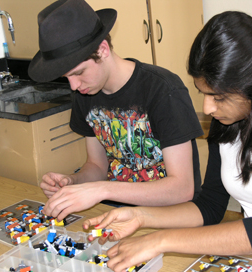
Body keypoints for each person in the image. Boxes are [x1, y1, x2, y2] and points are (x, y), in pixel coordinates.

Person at [83, 11, 252, 272]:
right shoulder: (227, 121)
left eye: (219, 96)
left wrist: (161, 240)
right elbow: (210, 206)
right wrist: (142, 217)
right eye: (203, 93)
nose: (207, 108)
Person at [27, 0, 204, 220]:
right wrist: (74, 183)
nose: (74, 86)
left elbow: (182, 188)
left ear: (102, 50)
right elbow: (96, 166)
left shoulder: (163, 89)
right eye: (67, 78)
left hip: (168, 214)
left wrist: (102, 189)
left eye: (79, 72)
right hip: (114, 210)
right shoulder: (85, 93)